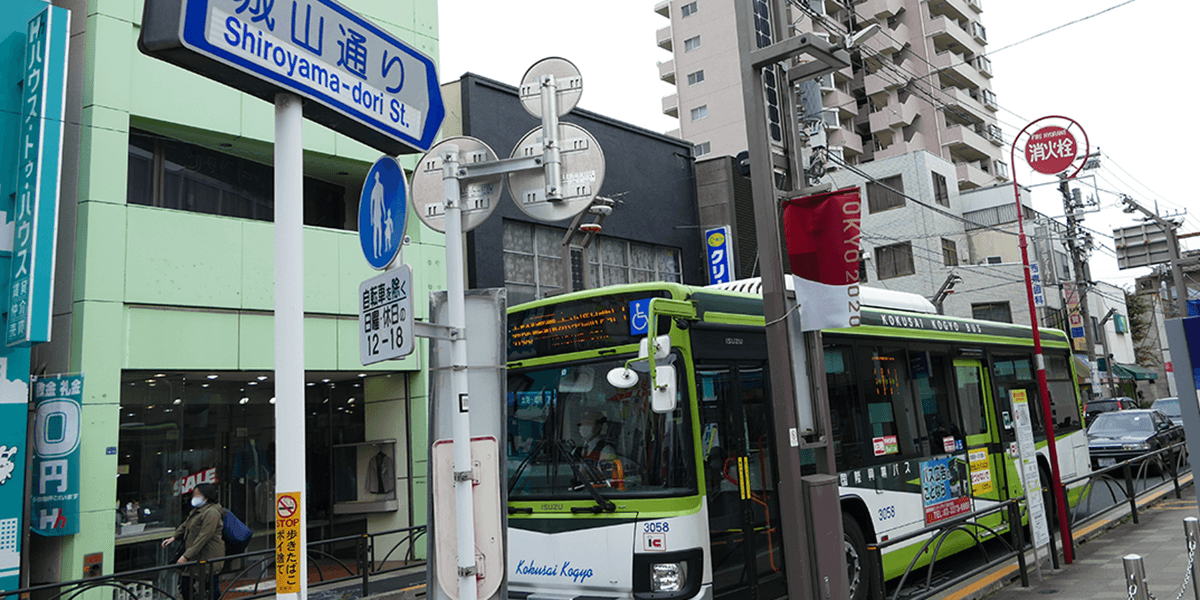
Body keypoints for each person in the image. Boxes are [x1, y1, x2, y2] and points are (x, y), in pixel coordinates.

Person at [162, 483, 225, 600]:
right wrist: (174, 537)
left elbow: (204, 536)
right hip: (195, 556)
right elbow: (186, 524)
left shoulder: (212, 513)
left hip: (207, 556)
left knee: (210, 587)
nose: (194, 497)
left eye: (197, 494)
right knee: (186, 586)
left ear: (206, 496)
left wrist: (186, 556)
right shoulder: (197, 510)